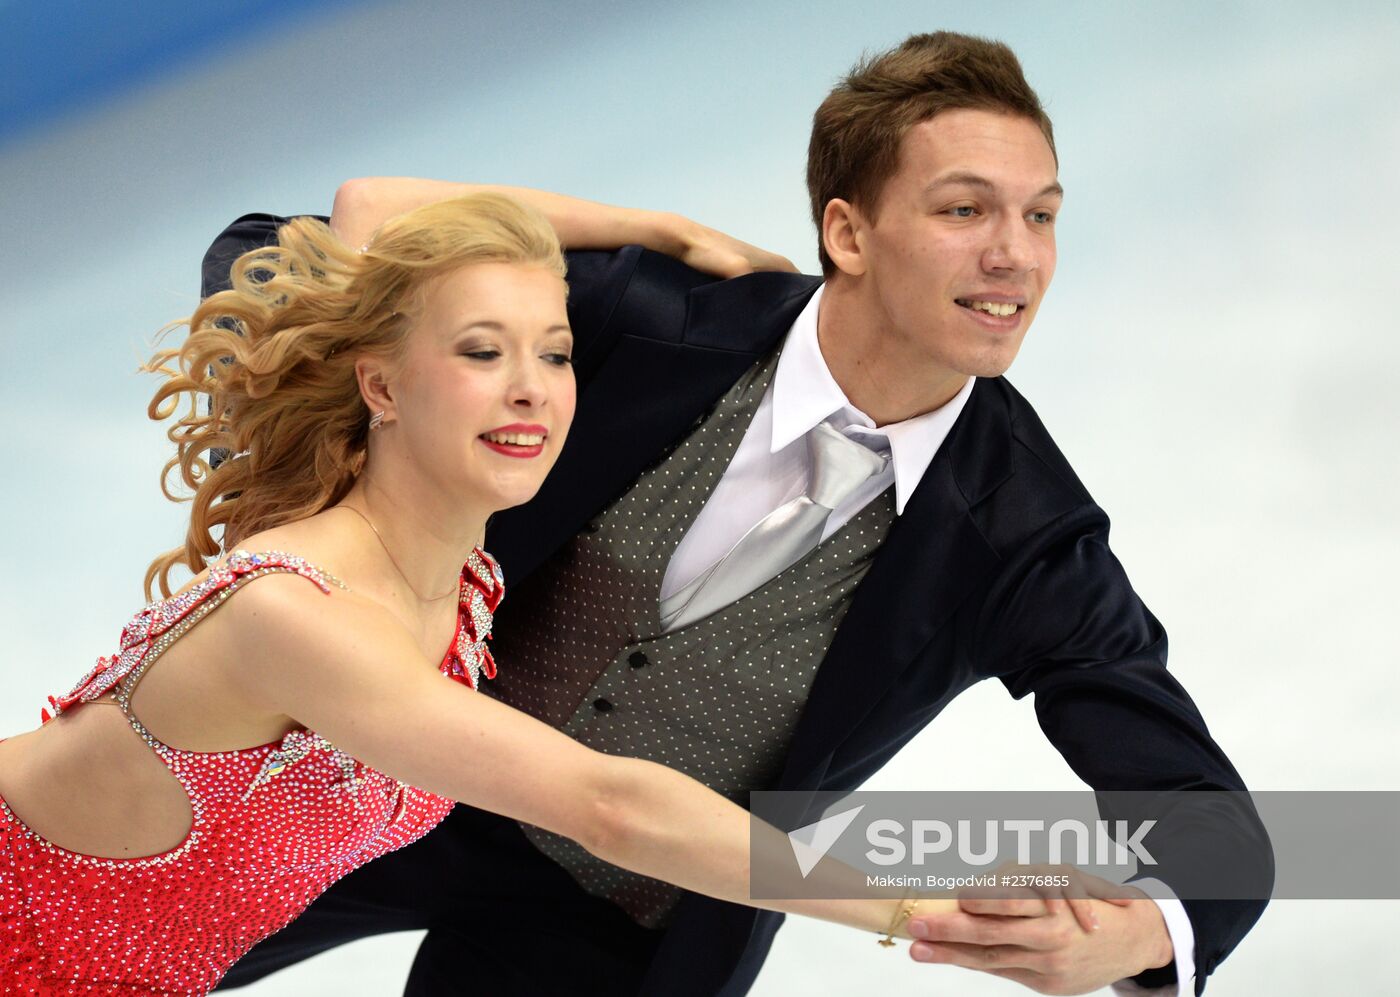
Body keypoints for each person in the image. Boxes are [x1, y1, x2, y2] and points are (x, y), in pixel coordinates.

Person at [208, 32, 1269, 997]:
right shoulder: (650, 318)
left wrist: (1138, 935)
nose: (1016, 256)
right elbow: (282, 249)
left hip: (613, 924)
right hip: (356, 781)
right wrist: (643, 228)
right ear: (845, 234)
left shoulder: (1022, 529)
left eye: (1039, 214)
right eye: (964, 210)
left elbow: (1214, 827)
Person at [0, 191, 1037, 993]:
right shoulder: (296, 610)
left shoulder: (460, 580)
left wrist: (653, 229)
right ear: (381, 384)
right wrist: (938, 907)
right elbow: (613, 803)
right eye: (480, 352)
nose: (531, 387)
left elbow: (378, 217)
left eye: (555, 351)